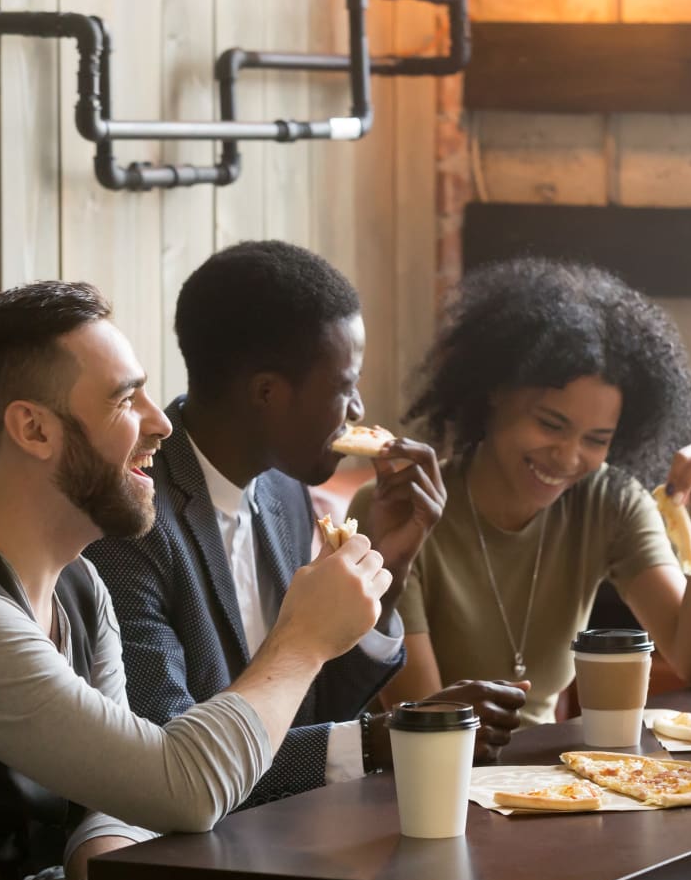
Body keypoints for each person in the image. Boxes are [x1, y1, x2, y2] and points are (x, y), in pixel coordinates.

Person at [0, 281, 390, 880]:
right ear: (34, 429)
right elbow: (178, 787)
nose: (160, 422)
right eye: (125, 399)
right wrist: (302, 640)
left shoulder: (80, 584)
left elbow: (110, 792)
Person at [85, 240, 527, 808]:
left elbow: (314, 712)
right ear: (267, 393)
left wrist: (389, 566)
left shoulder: (285, 491)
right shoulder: (132, 521)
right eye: (345, 386)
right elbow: (176, 760)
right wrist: (378, 741)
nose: (359, 410)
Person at [350, 256, 691, 727]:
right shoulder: (398, 510)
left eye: (596, 440)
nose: (568, 457)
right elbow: (429, 724)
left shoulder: (609, 502)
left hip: (543, 780)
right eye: (551, 424)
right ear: (495, 391)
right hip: (411, 778)